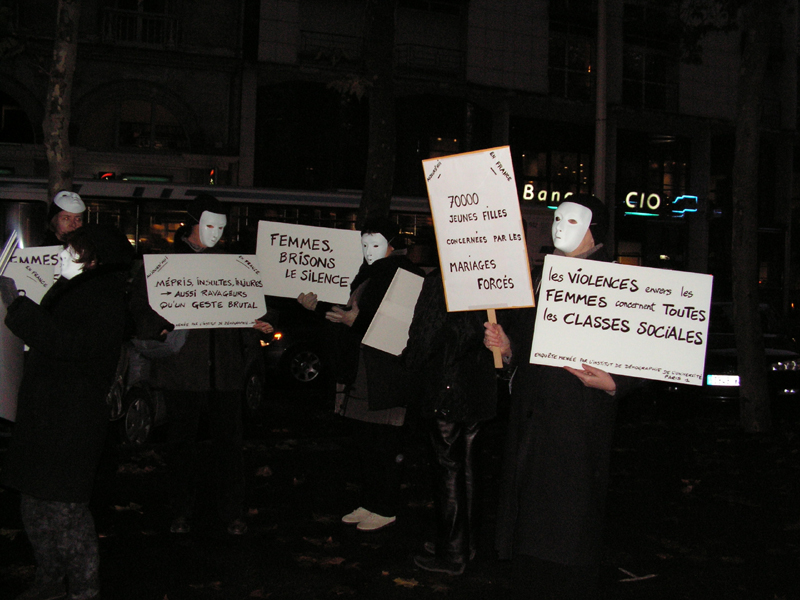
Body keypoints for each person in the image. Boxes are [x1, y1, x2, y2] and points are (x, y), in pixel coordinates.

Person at [485, 195, 640, 600]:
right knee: (530, 520)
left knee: (569, 524)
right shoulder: (544, 273)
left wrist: (614, 383)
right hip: (532, 417)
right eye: (556, 217)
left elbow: (652, 353)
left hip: (577, 421)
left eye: (572, 220)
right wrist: (507, 347)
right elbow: (526, 341)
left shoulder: (617, 280)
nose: (558, 227)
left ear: (594, 230)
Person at [0, 224, 133, 600]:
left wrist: (17, 307)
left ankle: (84, 587)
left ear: (93, 261)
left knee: (65, 509)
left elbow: (68, 343)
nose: (60, 256)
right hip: (46, 414)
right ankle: (49, 578)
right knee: (35, 503)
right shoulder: (72, 289)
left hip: (71, 420)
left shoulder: (104, 300)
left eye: (71, 251)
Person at [129, 193, 272, 536]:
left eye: (222, 227)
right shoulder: (164, 264)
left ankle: (231, 512)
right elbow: (141, 313)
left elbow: (247, 310)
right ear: (192, 223)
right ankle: (180, 510)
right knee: (181, 446)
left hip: (225, 372)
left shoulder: (232, 264)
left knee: (230, 446)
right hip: (183, 371)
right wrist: (161, 325)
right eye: (210, 225)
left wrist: (257, 325)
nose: (217, 233)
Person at [297, 217, 423, 531]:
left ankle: (386, 506)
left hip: (387, 373)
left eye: (376, 244)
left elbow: (401, 327)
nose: (368, 250)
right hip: (363, 369)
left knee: (385, 442)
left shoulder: (406, 276)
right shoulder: (364, 275)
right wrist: (315, 308)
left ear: (393, 246)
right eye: (364, 244)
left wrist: (358, 323)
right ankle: (371, 502)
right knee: (367, 441)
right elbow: (345, 314)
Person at [403, 268, 497, 575]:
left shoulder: (441, 279)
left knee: (448, 469)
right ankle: (463, 542)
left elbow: (424, 335)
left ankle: (453, 552)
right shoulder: (492, 275)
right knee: (469, 465)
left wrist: (409, 363)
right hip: (478, 385)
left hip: (446, 387)